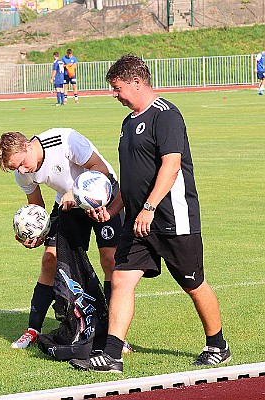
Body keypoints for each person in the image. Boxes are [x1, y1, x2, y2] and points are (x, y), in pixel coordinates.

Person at [69, 54, 231, 373]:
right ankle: (112, 354)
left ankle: (218, 345)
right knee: (121, 280)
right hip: (137, 220)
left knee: (193, 282)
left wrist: (150, 207)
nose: (114, 94)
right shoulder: (128, 123)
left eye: (117, 88)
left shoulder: (166, 115)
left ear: (136, 82)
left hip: (173, 217)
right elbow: (131, 179)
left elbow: (170, 167)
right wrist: (113, 208)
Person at [0, 128, 132, 354]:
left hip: (100, 193)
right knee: (50, 259)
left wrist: (75, 191)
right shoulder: (22, 172)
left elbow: (101, 169)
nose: (21, 170)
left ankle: (114, 335)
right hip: (67, 203)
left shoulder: (64, 140)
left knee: (110, 260)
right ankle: (33, 330)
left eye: (21, 163)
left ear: (28, 145)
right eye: (14, 168)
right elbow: (37, 207)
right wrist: (34, 232)